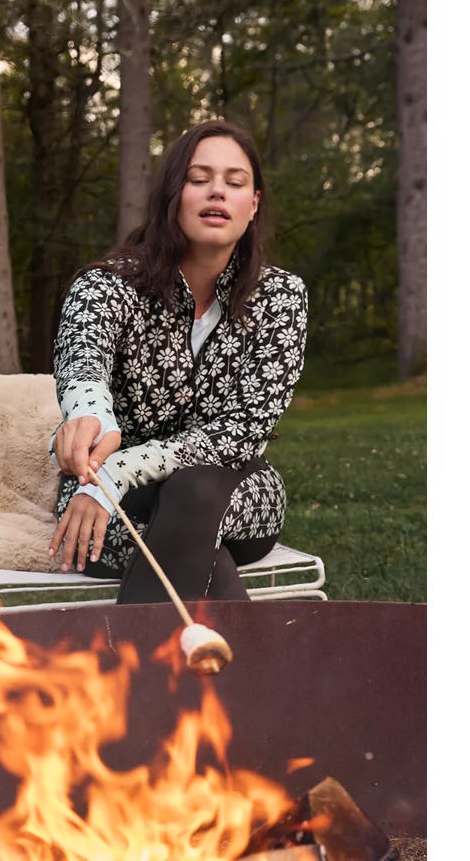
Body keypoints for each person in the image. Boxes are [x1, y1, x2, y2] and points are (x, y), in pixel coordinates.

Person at [45, 119, 308, 604]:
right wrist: (91, 419)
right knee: (198, 545)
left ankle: (140, 653)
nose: (217, 192)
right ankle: (221, 653)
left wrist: (120, 470)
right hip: (112, 503)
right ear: (172, 195)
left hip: (235, 492)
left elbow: (242, 433)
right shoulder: (106, 286)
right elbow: (83, 364)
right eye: (198, 178)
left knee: (196, 492)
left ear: (253, 205)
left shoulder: (281, 297)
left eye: (234, 183)